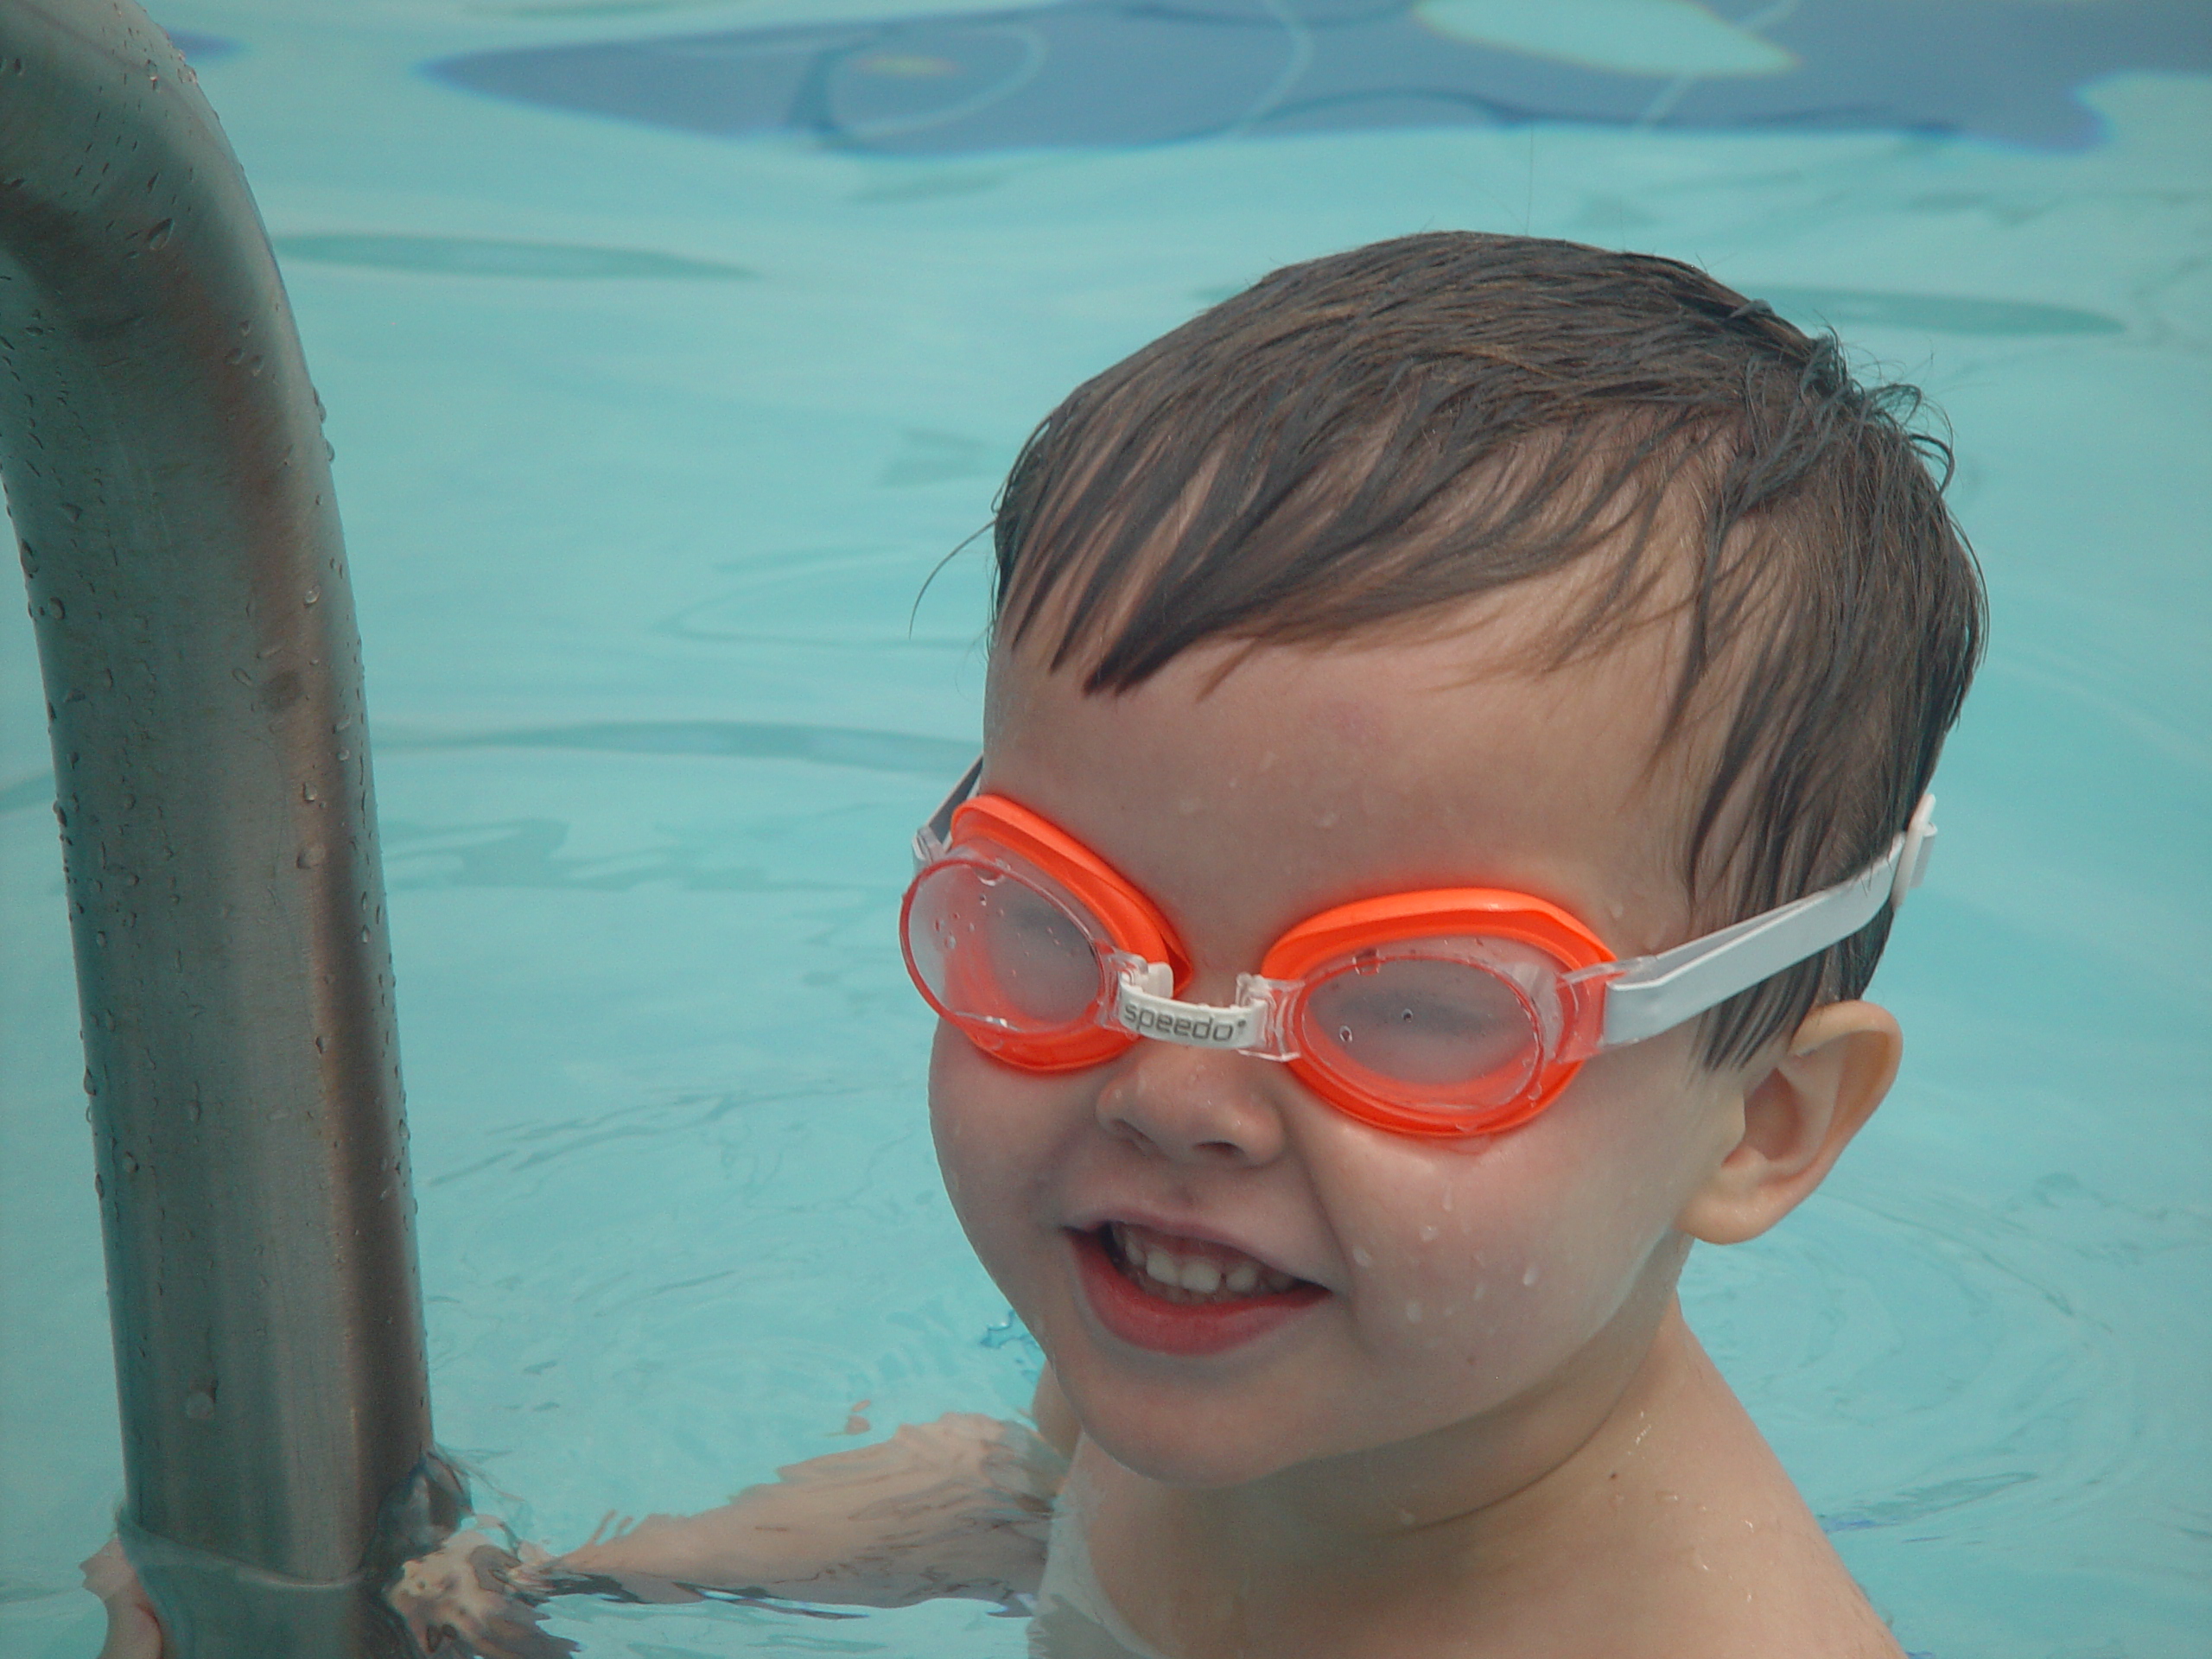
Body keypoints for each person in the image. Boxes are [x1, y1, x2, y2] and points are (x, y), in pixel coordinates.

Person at [92, 231, 1984, 1658]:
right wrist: (554, 1589)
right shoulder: (1215, 1308)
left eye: (1409, 1010)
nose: (1173, 1098)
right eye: (1060, 935)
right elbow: (1024, 1501)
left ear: (1764, 1127)